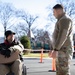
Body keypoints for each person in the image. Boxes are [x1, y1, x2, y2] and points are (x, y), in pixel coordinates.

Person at [50, 4, 74, 75]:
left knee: (63, 72)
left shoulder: (65, 19)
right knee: (60, 72)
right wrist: (52, 49)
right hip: (61, 50)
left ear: (58, 11)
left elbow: (63, 35)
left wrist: (56, 49)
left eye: (54, 12)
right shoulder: (60, 20)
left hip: (64, 50)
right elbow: (56, 36)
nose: (53, 14)